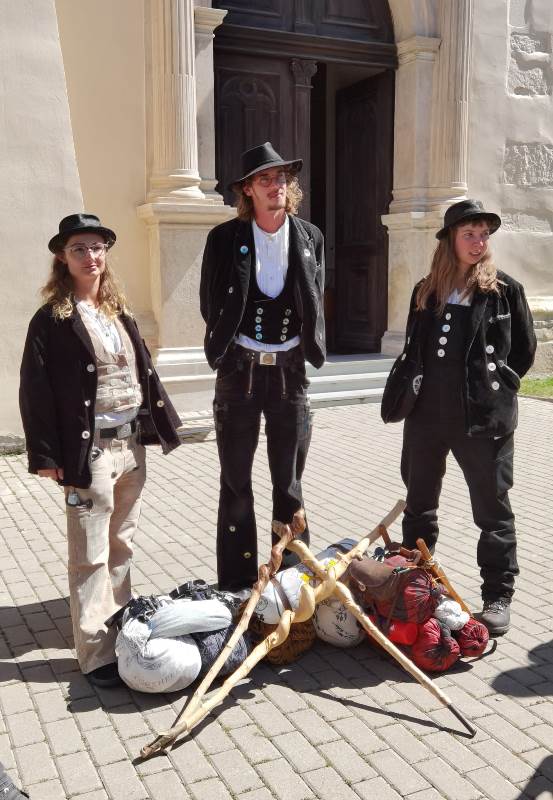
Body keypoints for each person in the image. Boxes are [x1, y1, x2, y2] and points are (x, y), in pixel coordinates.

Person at [20, 213, 182, 686]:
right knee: (89, 553)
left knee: (121, 545)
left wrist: (156, 426)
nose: (90, 257)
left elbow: (142, 372)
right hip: (89, 453)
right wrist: (47, 457)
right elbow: (35, 390)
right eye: (79, 249)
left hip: (130, 447)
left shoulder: (118, 310)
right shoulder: (52, 319)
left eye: (97, 247)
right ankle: (94, 653)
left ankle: (119, 630)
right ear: (62, 258)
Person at [382, 199, 536, 636]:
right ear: (450, 239)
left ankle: (497, 595)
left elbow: (523, 351)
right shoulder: (426, 290)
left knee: (492, 510)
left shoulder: (504, 290)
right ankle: (417, 585)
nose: (478, 242)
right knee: (419, 505)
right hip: (426, 417)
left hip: (482, 420)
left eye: (483, 234)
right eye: (469, 234)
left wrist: (500, 384)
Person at [200, 142, 325, 591]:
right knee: (236, 481)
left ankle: (292, 583)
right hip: (240, 372)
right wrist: (228, 345)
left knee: (288, 482)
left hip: (290, 371)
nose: (276, 186)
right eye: (265, 179)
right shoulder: (224, 239)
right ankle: (237, 584)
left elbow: (314, 297)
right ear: (248, 190)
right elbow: (210, 301)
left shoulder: (310, 237)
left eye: (282, 178)